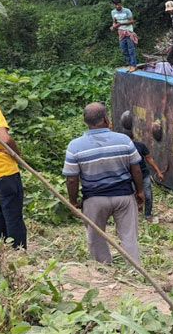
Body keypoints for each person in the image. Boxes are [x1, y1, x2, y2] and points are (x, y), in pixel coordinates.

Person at [63, 102, 144, 265]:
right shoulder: (124, 140)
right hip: (123, 197)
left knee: (96, 237)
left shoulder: (75, 146)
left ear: (85, 121)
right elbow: (136, 169)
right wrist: (140, 191)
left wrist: (72, 201)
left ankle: (104, 267)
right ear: (106, 119)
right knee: (129, 235)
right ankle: (134, 268)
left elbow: (72, 179)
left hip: (94, 199)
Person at [0, 64, 27, 249]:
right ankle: (18, 252)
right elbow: (4, 138)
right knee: (13, 215)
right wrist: (17, 153)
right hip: (4, 168)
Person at [126, 131, 164, 223]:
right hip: (130, 177)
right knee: (132, 196)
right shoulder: (122, 149)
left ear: (133, 138)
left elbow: (149, 158)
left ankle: (147, 215)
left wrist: (158, 171)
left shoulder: (140, 146)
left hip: (144, 174)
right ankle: (134, 214)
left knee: (148, 195)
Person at [110, 0, 138, 72]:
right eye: (115, 5)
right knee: (124, 50)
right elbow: (114, 22)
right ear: (113, 5)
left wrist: (121, 24)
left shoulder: (127, 11)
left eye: (118, 4)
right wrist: (113, 26)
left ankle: (133, 65)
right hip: (121, 33)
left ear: (121, 3)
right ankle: (129, 64)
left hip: (128, 32)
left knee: (131, 50)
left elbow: (132, 21)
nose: (117, 6)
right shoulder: (113, 12)